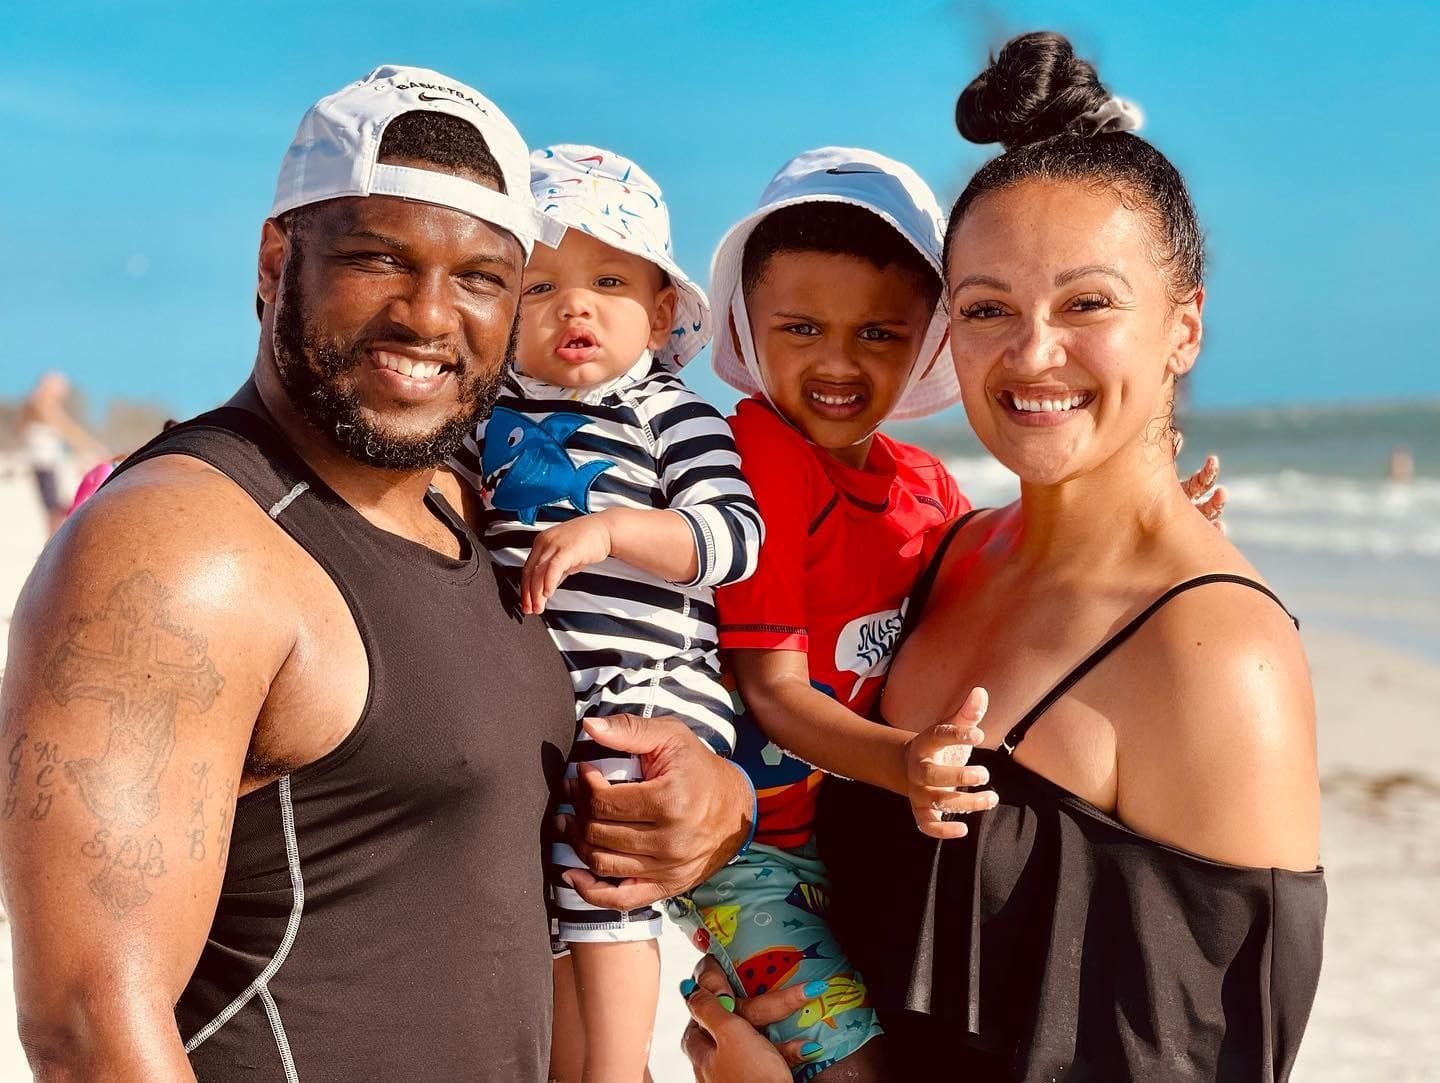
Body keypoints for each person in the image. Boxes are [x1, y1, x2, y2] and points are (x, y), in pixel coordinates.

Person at [0, 66, 752, 1081]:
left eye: (485, 277)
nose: (430, 316)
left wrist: (717, 797)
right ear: (277, 262)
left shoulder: (484, 505)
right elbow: (90, 1030)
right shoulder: (183, 551)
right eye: (376, 257)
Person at [682, 31, 1325, 1081]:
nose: (1031, 355)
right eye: (987, 309)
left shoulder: (1215, 655)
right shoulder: (946, 553)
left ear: (1185, 326)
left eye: (1088, 304)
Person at [448, 143, 762, 1081]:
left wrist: (616, 530)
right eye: (539, 287)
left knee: (606, 827)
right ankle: (570, 1059)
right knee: (542, 875)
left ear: (663, 309)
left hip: (654, 682)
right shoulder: (485, 417)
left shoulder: (669, 413)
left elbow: (733, 537)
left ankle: (623, 1064)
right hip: (547, 687)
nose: (574, 305)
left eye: (609, 279)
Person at [19, 369, 107, 535]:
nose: (62, 393)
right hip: (45, 461)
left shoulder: (36, 403)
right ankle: (55, 543)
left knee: (54, 506)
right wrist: (90, 446)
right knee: (55, 507)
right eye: (59, 388)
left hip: (46, 460)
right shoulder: (42, 403)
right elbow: (66, 428)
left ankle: (54, 542)